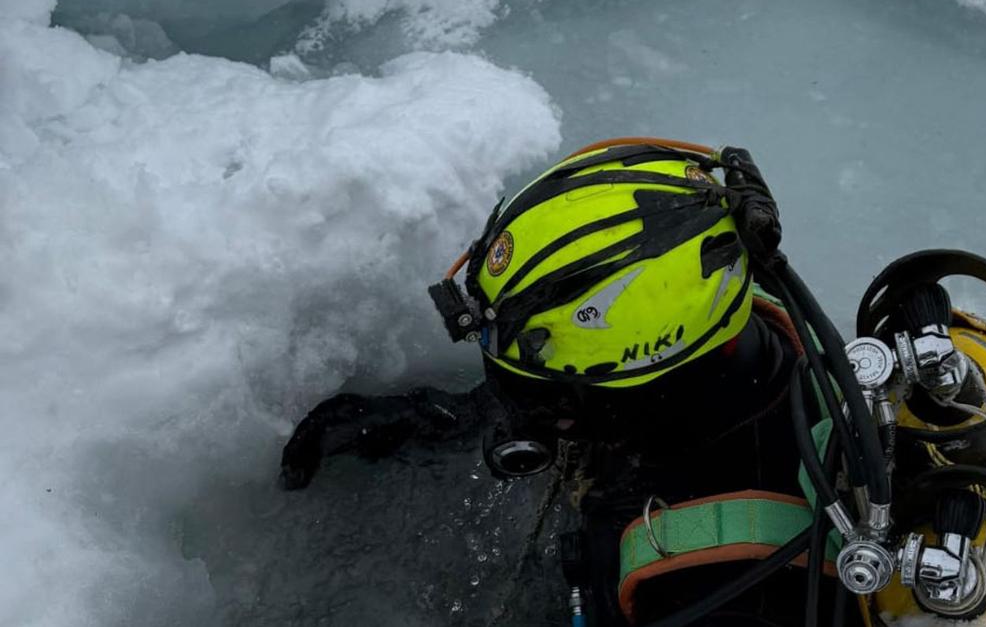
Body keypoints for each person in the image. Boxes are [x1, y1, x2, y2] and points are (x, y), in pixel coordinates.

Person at [280, 138, 863, 624]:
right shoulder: (710, 323)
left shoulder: (731, 592)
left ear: (634, 386)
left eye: (540, 393)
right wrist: (433, 418)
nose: (524, 412)